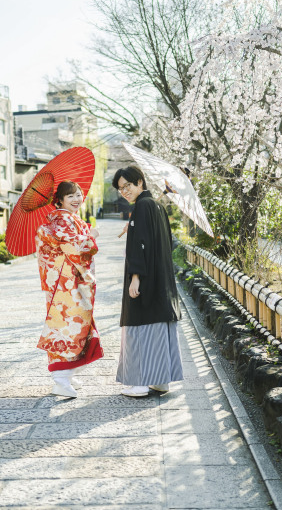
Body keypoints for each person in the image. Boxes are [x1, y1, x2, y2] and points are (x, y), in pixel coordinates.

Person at [112, 165, 183, 397]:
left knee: (139, 326)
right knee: (157, 327)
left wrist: (135, 278)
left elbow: (140, 247)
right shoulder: (157, 207)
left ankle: (141, 383)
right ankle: (161, 380)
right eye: (121, 188)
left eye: (128, 186)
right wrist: (132, 226)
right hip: (160, 279)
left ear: (140, 182)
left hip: (144, 279)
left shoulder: (142, 207)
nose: (124, 191)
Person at [35, 180, 103, 398]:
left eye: (78, 195)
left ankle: (67, 375)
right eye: (70, 196)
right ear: (60, 200)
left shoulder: (66, 219)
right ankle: (60, 380)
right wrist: (91, 237)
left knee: (74, 325)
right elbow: (74, 247)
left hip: (64, 284)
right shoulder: (62, 220)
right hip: (65, 287)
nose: (76, 199)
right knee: (65, 325)